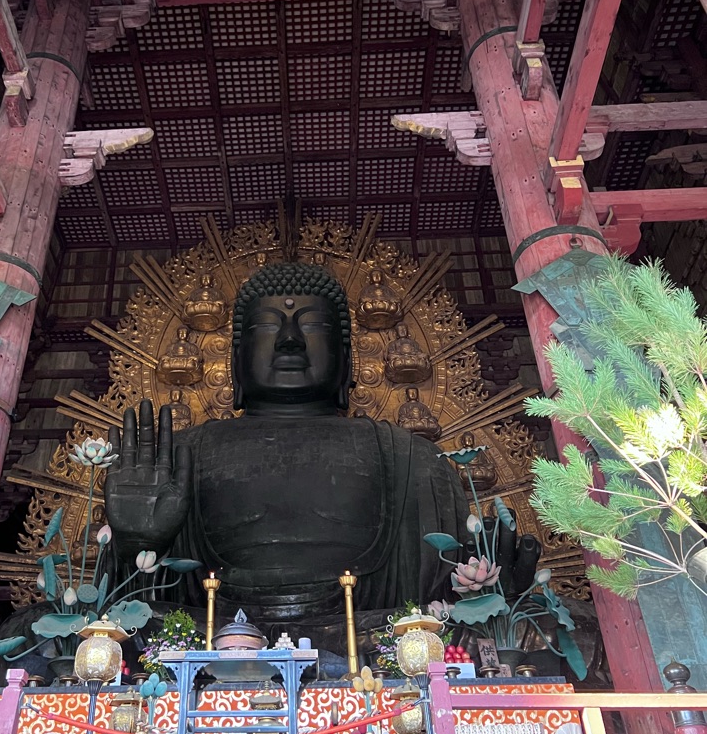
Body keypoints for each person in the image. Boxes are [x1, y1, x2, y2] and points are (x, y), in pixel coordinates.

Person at [105, 263, 469, 622]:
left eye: (314, 325)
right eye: (266, 326)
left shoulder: (413, 459)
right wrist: (136, 546)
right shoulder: (174, 461)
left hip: (374, 640)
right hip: (213, 641)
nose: (290, 339)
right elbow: (127, 610)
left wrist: (498, 597)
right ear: (235, 360)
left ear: (347, 359)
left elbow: (444, 596)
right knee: (140, 627)